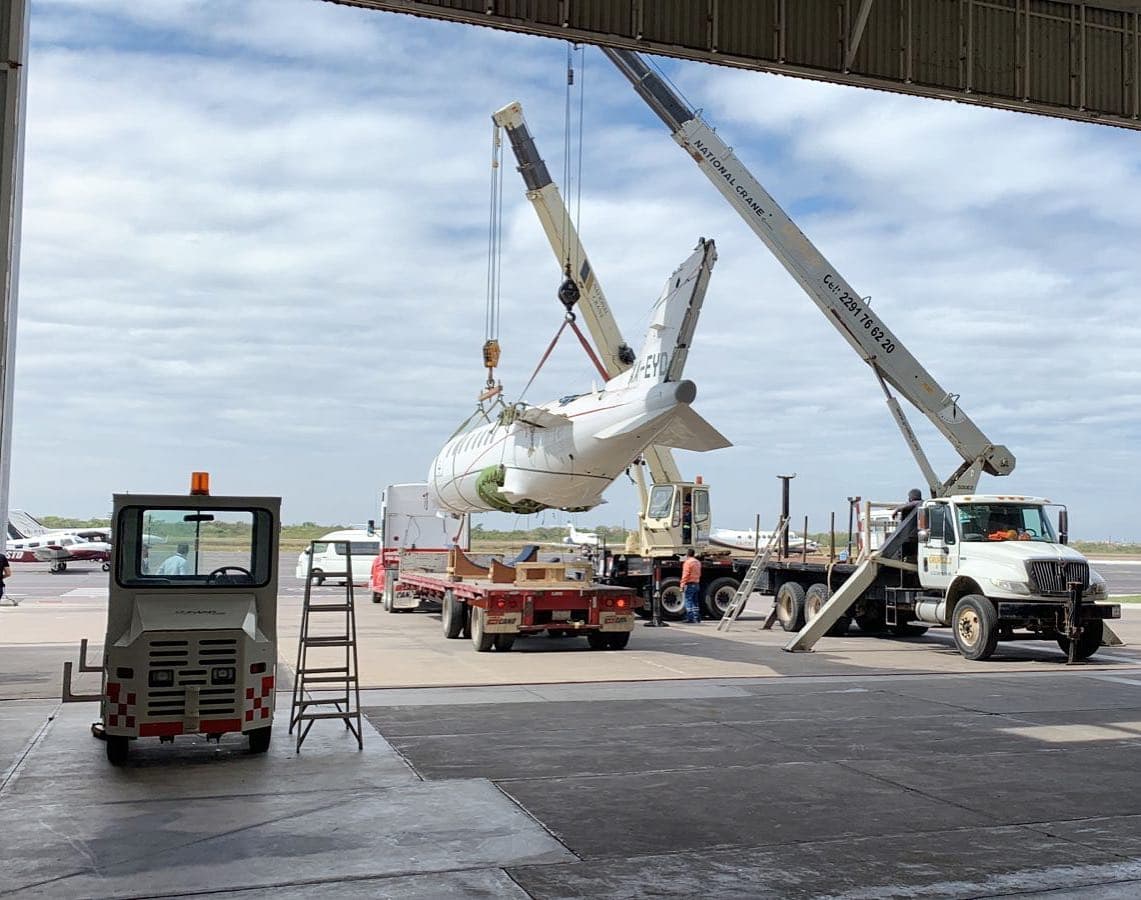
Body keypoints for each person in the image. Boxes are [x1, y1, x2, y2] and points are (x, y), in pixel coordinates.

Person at [680, 548, 702, 623]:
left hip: (690, 584)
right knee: (695, 601)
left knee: (688, 600)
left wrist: (682, 584)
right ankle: (697, 617)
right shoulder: (698, 562)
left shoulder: (688, 563)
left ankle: (690, 618)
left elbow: (685, 574)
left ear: (687, 554)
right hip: (696, 583)